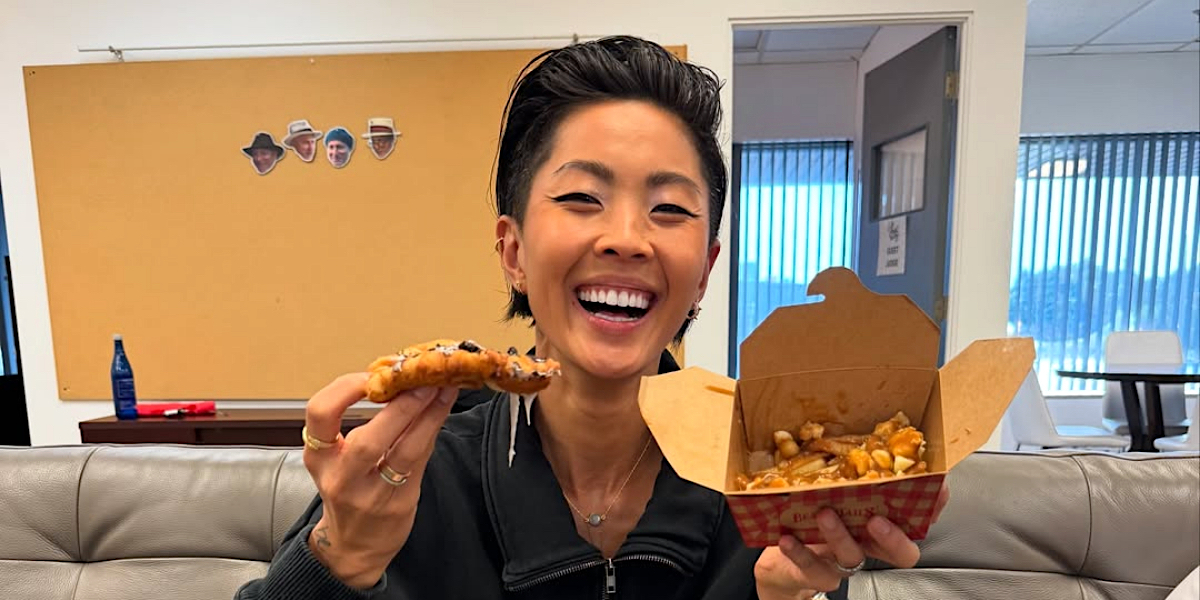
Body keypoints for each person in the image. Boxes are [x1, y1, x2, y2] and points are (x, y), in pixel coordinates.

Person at [234, 36, 948, 600]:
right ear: (513, 251)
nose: (628, 238)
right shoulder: (414, 469)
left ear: (703, 271)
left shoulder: (775, 480)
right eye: (581, 198)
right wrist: (341, 558)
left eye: (669, 210)